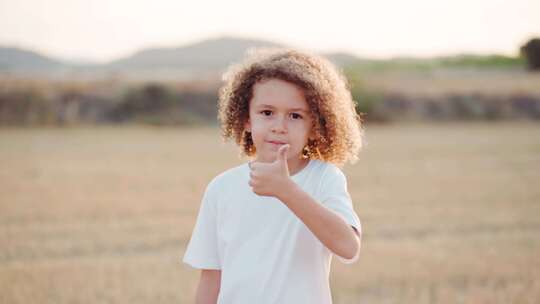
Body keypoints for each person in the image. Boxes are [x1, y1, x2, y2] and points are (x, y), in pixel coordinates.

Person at [182, 47, 365, 304]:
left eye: (295, 115)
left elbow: (348, 247)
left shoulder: (324, 178)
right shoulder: (221, 188)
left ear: (315, 126)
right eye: (267, 113)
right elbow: (212, 277)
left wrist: (286, 190)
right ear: (247, 119)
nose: (279, 126)